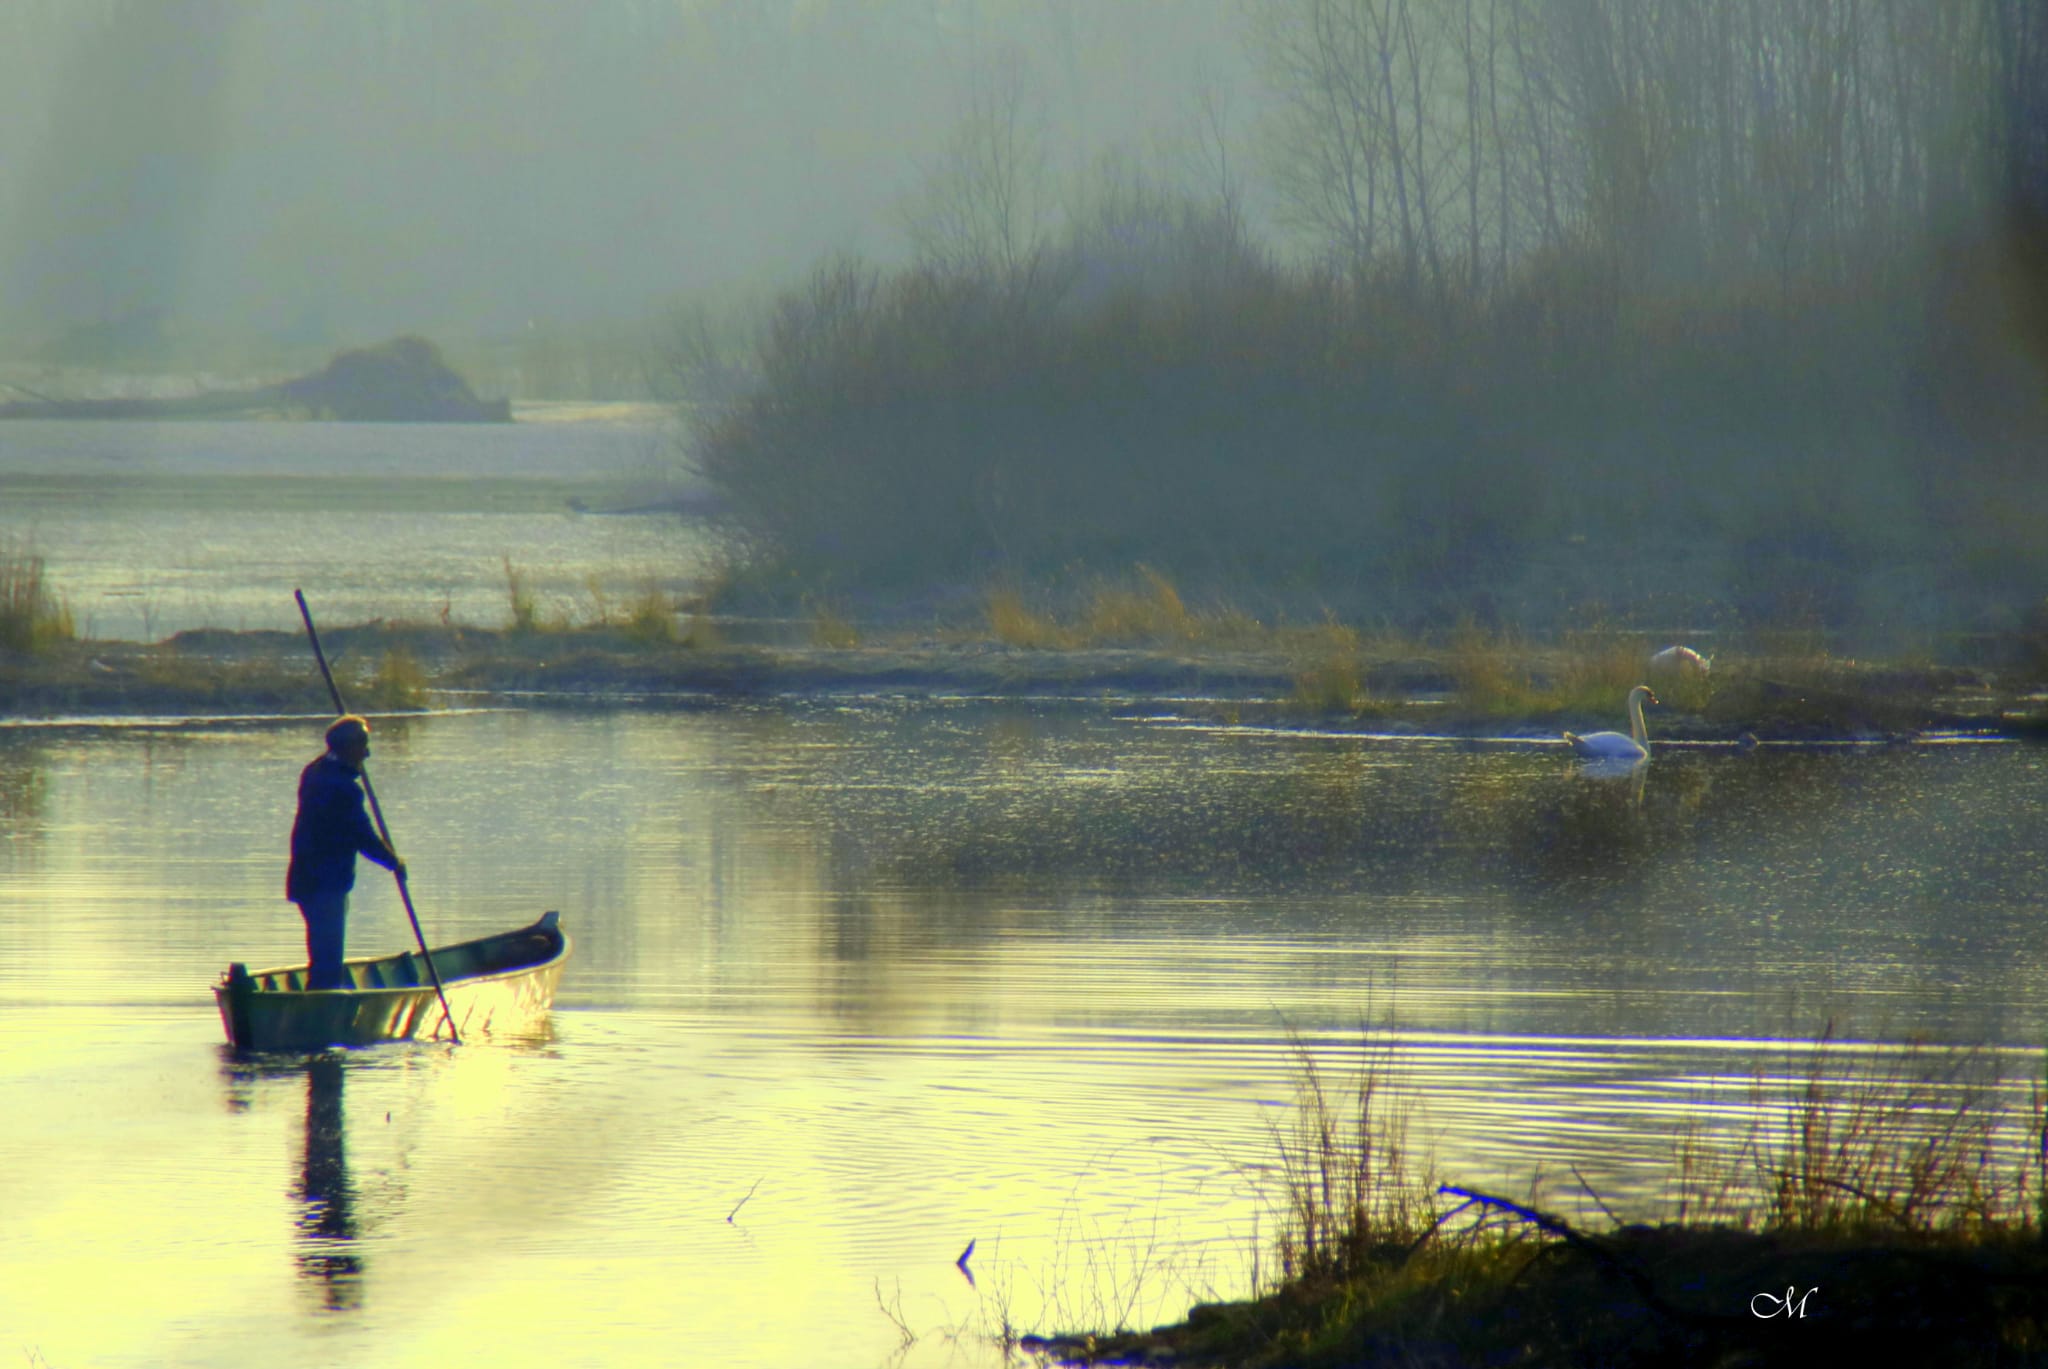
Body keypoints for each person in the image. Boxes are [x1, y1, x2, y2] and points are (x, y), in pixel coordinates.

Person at [287, 715, 405, 990]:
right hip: (326, 883)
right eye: (362, 745)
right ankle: (322, 1015)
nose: (367, 752)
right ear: (348, 747)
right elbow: (362, 837)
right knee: (328, 962)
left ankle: (316, 1003)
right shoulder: (343, 789)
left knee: (322, 954)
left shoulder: (314, 772)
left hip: (305, 879)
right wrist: (393, 862)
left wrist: (350, 766)